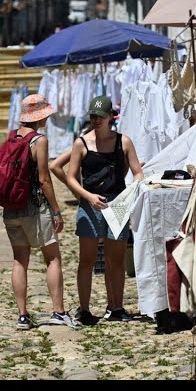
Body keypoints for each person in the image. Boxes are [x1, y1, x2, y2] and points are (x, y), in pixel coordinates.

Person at [2, 94, 79, 330]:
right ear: (40, 116)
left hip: (11, 207)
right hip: (35, 207)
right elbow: (44, 179)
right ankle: (58, 311)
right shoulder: (39, 141)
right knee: (53, 257)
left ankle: (23, 316)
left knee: (20, 260)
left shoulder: (11, 137)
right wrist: (56, 210)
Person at [66, 95, 143, 325]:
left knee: (116, 259)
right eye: (93, 116)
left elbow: (138, 172)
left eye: (100, 116)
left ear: (111, 117)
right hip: (90, 205)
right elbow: (71, 177)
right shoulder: (81, 143)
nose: (96, 120)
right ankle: (85, 309)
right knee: (87, 260)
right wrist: (88, 197)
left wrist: (132, 190)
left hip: (117, 204)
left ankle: (116, 307)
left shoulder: (124, 142)